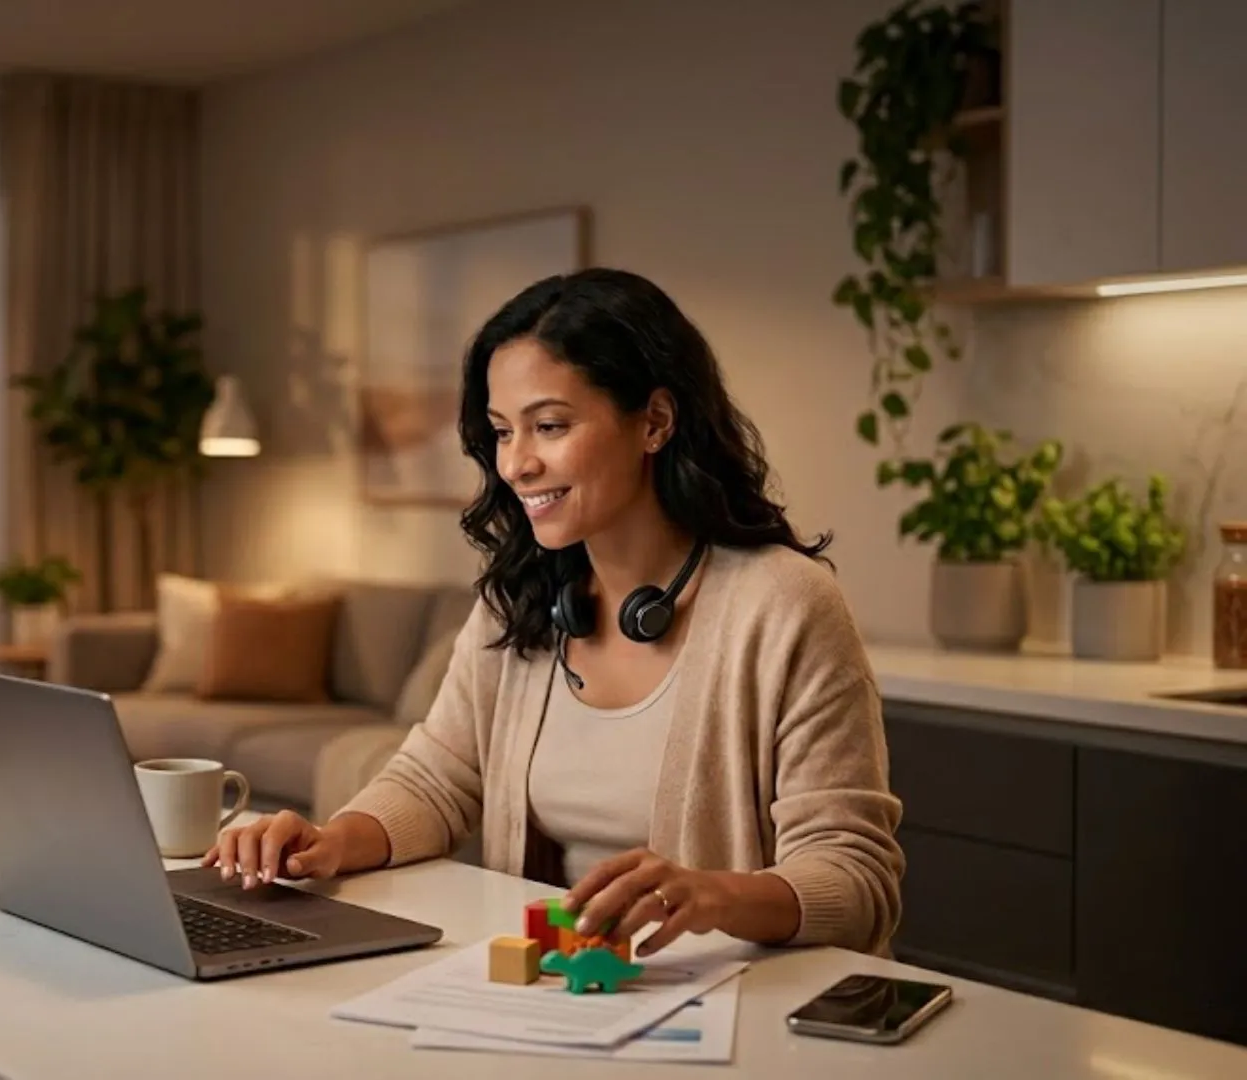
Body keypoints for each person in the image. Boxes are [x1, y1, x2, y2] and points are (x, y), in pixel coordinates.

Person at [205, 267, 904, 958]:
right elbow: (436, 778)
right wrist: (333, 841)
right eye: (503, 432)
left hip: (734, 1008)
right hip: (561, 993)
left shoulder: (785, 605)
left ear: (655, 422)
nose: (516, 464)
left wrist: (714, 895)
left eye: (548, 425)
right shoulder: (521, 595)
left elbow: (855, 877)